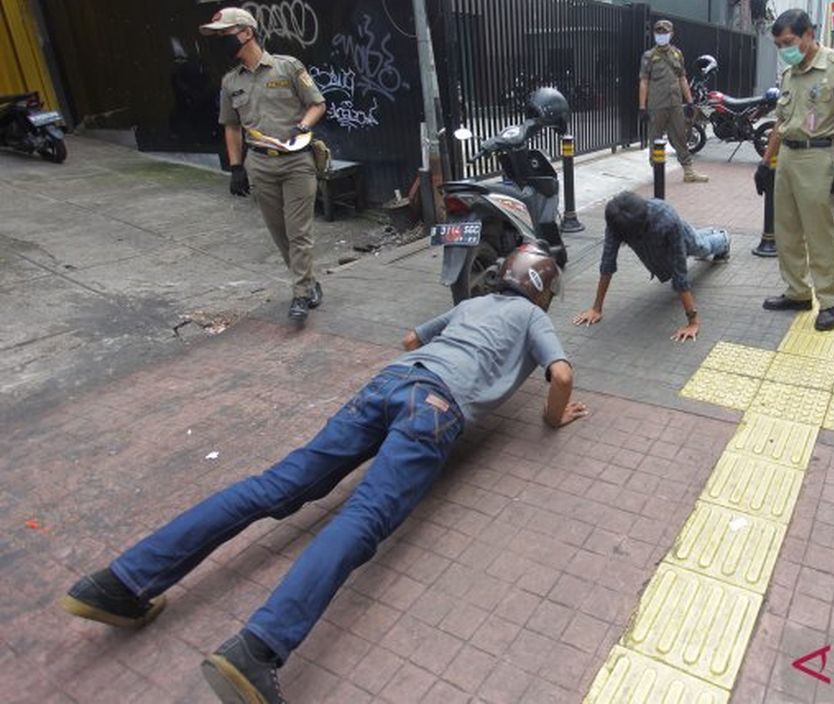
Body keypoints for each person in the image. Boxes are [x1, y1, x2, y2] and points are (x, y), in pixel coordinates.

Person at [58, 244, 585, 704]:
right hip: (434, 408)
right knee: (362, 520)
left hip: (389, 383)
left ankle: (120, 583)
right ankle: (257, 649)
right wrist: (553, 415)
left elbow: (409, 339)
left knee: (275, 486)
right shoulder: (534, 318)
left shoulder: (473, 302)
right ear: (542, 293)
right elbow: (560, 374)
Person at [202, 7, 327, 323]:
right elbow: (231, 126)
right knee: (280, 233)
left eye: (224, 34)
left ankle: (300, 295)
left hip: (297, 160)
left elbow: (317, 103)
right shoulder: (231, 82)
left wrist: (303, 125)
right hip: (259, 163)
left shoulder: (287, 67)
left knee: (298, 232)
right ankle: (309, 282)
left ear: (246, 32)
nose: (219, 41)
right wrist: (235, 168)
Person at [757, 8, 834, 331]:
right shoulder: (789, 75)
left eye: (789, 41)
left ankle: (829, 301)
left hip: (817, 158)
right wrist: (765, 162)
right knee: (785, 230)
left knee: (819, 233)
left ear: (809, 34)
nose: (784, 49)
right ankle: (798, 291)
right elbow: (781, 121)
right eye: (779, 44)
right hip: (787, 157)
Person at [574, 191, 729, 341]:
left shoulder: (667, 218)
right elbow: (607, 262)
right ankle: (708, 232)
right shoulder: (617, 221)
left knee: (702, 247)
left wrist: (693, 322)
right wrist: (596, 308)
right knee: (693, 245)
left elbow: (680, 273)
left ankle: (723, 238)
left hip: (681, 235)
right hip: (659, 242)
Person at [639, 19, 707, 183]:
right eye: (659, 32)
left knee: (680, 136)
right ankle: (657, 172)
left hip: (675, 103)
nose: (661, 35)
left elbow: (682, 78)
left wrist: (690, 102)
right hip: (657, 104)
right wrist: (642, 106)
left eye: (665, 32)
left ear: (671, 34)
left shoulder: (677, 54)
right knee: (655, 138)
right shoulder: (649, 56)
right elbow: (644, 81)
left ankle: (688, 171)